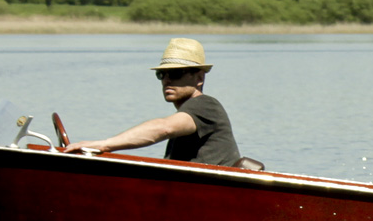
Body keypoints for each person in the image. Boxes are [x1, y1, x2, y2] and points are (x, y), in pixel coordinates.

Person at [62, 37, 244, 166]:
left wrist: (103, 145)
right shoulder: (189, 113)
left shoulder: (205, 105)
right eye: (161, 74)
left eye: (175, 73)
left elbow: (163, 128)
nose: (167, 80)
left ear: (199, 77)